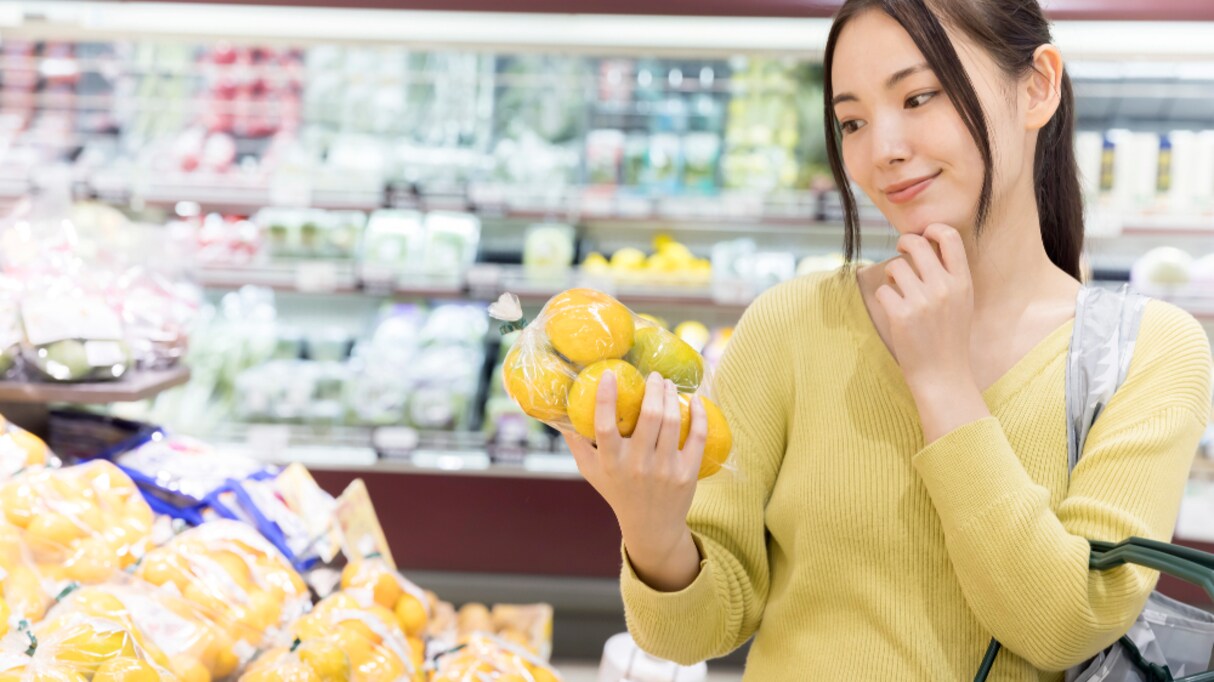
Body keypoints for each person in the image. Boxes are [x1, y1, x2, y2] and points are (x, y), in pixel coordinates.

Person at [563, 0, 1214, 679]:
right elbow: (695, 632)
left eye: (920, 95)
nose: (883, 151)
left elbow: (1062, 626)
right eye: (852, 121)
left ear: (1038, 86)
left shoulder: (1153, 352)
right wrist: (651, 528)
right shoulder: (789, 325)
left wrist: (941, 380)